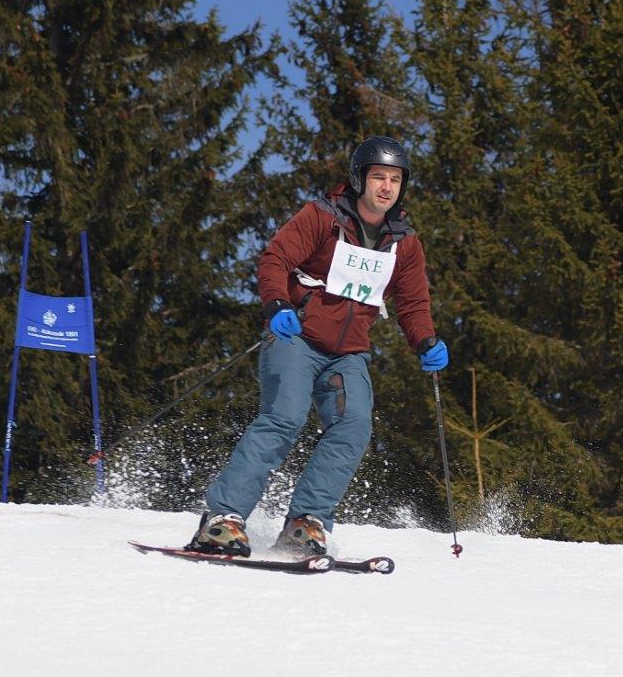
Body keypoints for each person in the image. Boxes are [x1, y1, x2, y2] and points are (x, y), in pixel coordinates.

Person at [187, 136, 449, 558]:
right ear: (359, 179)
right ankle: (223, 519)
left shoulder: (405, 243)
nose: (386, 187)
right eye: (378, 177)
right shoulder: (323, 217)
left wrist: (425, 340)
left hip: (348, 353)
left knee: (354, 426)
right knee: (284, 418)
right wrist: (277, 304)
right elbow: (275, 259)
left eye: (395, 179)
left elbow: (413, 303)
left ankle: (305, 522)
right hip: (296, 337)